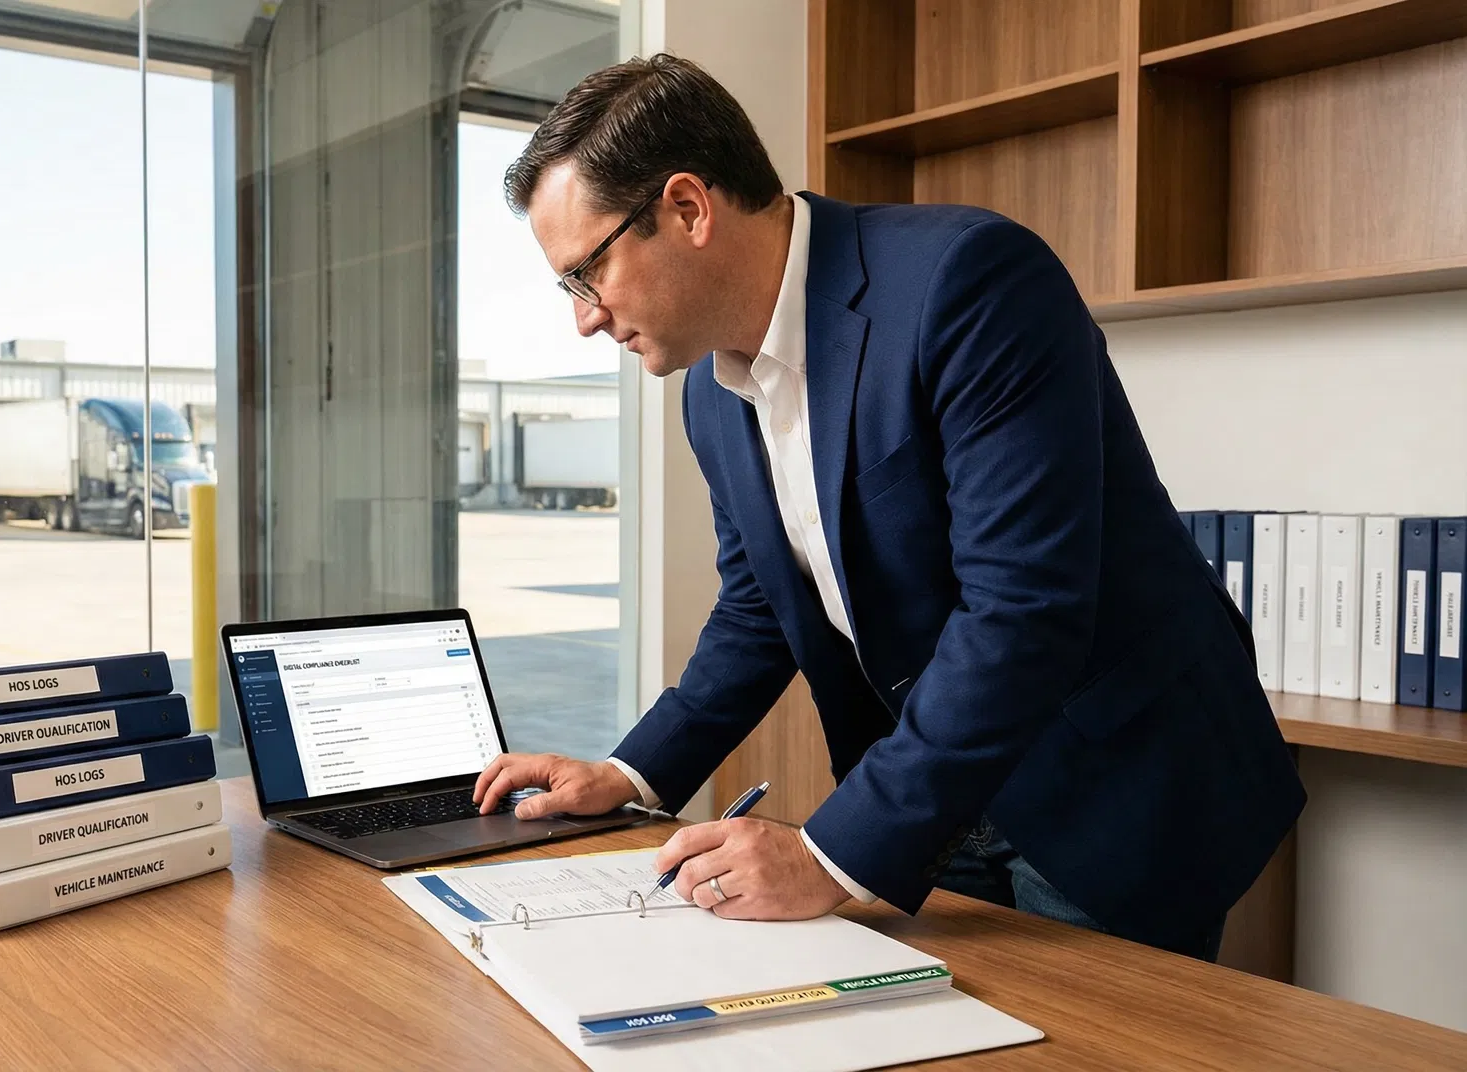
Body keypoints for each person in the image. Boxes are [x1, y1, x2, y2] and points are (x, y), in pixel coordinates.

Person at [471, 54, 1305, 961]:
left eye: (585, 273)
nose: (585, 319)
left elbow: (1025, 607)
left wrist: (828, 856)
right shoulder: (712, 391)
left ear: (687, 208)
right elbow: (759, 606)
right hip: (931, 800)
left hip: (1110, 786)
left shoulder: (968, 281)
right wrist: (632, 772)